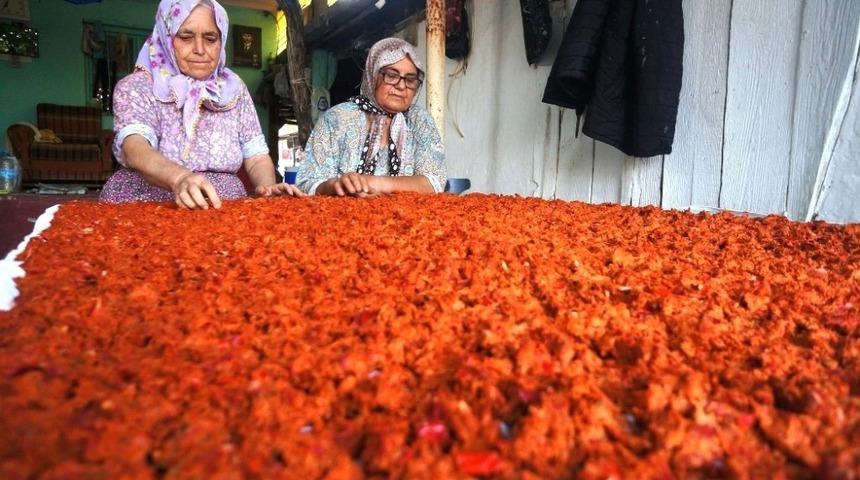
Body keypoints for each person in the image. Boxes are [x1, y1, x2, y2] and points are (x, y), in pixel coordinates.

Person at [100, 0, 302, 209]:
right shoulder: (138, 86)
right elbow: (135, 149)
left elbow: (257, 157)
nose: (199, 49)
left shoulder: (233, 88)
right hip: (145, 203)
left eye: (210, 38)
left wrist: (268, 189)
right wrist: (179, 178)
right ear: (166, 36)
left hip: (222, 205)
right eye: (186, 37)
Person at [297, 37, 446, 197]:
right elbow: (307, 183)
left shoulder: (420, 121)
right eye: (391, 75)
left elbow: (433, 182)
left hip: (407, 219)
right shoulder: (337, 119)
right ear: (372, 76)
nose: (401, 86)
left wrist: (370, 182)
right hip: (342, 218)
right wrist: (333, 186)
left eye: (410, 79)